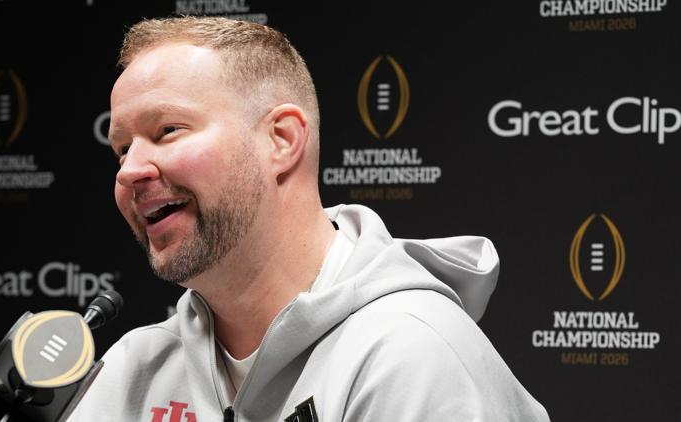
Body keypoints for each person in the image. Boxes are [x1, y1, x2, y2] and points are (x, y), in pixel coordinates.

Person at [69, 16, 549, 422]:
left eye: (167, 130)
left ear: (280, 140)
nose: (129, 171)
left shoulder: (412, 353)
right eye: (122, 149)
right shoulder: (133, 370)